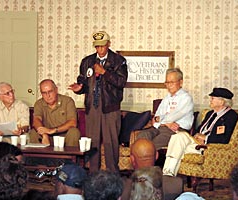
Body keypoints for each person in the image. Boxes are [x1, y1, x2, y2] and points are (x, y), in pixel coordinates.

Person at [69, 31, 128, 172]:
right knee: (92, 142)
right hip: (92, 107)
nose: (99, 50)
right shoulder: (87, 61)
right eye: (97, 47)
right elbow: (83, 81)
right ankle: (93, 173)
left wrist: (104, 73)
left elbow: (121, 82)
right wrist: (79, 88)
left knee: (110, 142)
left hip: (110, 107)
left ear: (108, 44)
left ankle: (112, 174)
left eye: (102, 46)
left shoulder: (119, 61)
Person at [163, 87, 238, 176]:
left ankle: (168, 173)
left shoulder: (230, 116)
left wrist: (206, 138)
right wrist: (197, 135)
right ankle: (168, 173)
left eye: (213, 98)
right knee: (177, 137)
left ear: (222, 102)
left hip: (209, 148)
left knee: (178, 144)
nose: (210, 100)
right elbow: (198, 130)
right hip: (196, 142)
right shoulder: (210, 114)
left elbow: (224, 138)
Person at [137, 68, 194, 150]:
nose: (169, 85)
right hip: (161, 127)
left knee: (151, 146)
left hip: (176, 130)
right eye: (167, 82)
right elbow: (156, 117)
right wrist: (164, 122)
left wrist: (161, 120)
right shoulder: (167, 98)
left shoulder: (186, 98)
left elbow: (173, 117)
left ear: (180, 82)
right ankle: (140, 162)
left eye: (172, 82)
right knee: (142, 138)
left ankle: (148, 162)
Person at [29, 79, 80, 146]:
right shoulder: (39, 104)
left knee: (74, 132)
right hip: (47, 136)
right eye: (44, 93)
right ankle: (38, 156)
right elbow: (36, 121)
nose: (48, 95)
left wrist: (53, 130)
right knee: (33, 132)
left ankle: (68, 156)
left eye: (50, 91)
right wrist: (44, 134)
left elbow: (73, 123)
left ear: (56, 90)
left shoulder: (68, 101)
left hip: (65, 136)